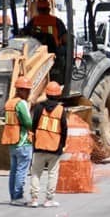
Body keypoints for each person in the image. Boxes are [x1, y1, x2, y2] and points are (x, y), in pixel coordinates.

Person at [29, 80, 68, 208]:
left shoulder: (39, 107)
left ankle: (34, 199)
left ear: (46, 94)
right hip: (54, 146)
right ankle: (48, 200)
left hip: (40, 145)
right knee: (52, 173)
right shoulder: (61, 110)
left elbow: (34, 125)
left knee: (36, 173)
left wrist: (34, 140)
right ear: (58, 95)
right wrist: (62, 145)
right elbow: (64, 129)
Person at [0, 76, 34, 206]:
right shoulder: (21, 104)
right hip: (23, 142)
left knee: (14, 171)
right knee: (21, 170)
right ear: (23, 90)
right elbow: (27, 122)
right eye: (27, 90)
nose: (28, 93)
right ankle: (18, 196)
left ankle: (13, 196)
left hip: (12, 142)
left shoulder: (10, 103)